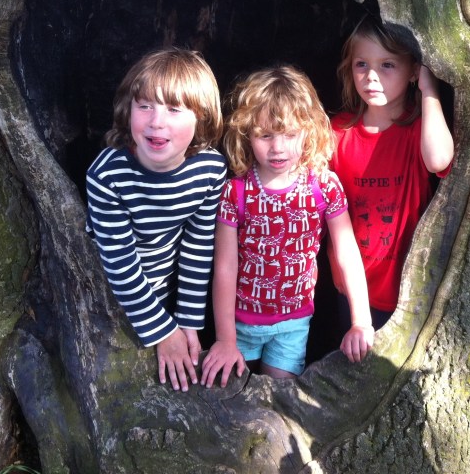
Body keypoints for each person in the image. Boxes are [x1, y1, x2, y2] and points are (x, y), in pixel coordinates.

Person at [201, 66, 373, 387]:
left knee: (279, 397)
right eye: (265, 135)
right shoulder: (236, 192)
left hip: (294, 323)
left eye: (290, 134)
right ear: (247, 134)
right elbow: (225, 266)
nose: (278, 147)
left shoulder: (323, 186)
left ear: (309, 131)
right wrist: (224, 339)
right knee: (233, 396)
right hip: (241, 323)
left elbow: (347, 253)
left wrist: (361, 321)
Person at [86, 47, 227, 392]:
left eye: (174, 109)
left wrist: (188, 322)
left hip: (165, 283)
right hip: (108, 292)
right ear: (128, 108)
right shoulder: (108, 175)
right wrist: (163, 331)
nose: (156, 121)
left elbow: (198, 248)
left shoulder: (210, 170)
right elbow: (119, 264)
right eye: (145, 105)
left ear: (201, 118)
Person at [329, 17, 454, 329]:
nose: (371, 76)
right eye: (361, 64)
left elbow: (438, 160)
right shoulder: (338, 133)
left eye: (387, 65)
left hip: (407, 291)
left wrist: (429, 90)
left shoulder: (417, 131)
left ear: (413, 70)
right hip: (350, 288)